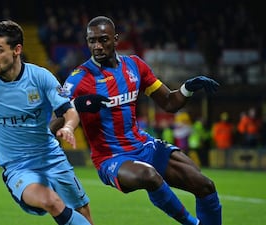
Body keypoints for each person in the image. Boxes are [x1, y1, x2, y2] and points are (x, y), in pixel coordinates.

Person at [57, 16, 222, 225]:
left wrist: (187, 88)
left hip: (144, 145)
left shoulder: (135, 66)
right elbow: (55, 120)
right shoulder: (78, 79)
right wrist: (77, 106)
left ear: (116, 39)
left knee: (204, 185)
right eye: (92, 41)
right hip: (111, 157)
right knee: (149, 175)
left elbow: (170, 102)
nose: (97, 46)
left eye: (103, 40)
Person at [0, 20, 94, 225]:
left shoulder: (41, 77)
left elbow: (68, 110)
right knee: (52, 201)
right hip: (18, 168)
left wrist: (67, 126)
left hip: (53, 158)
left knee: (83, 213)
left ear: (17, 50)